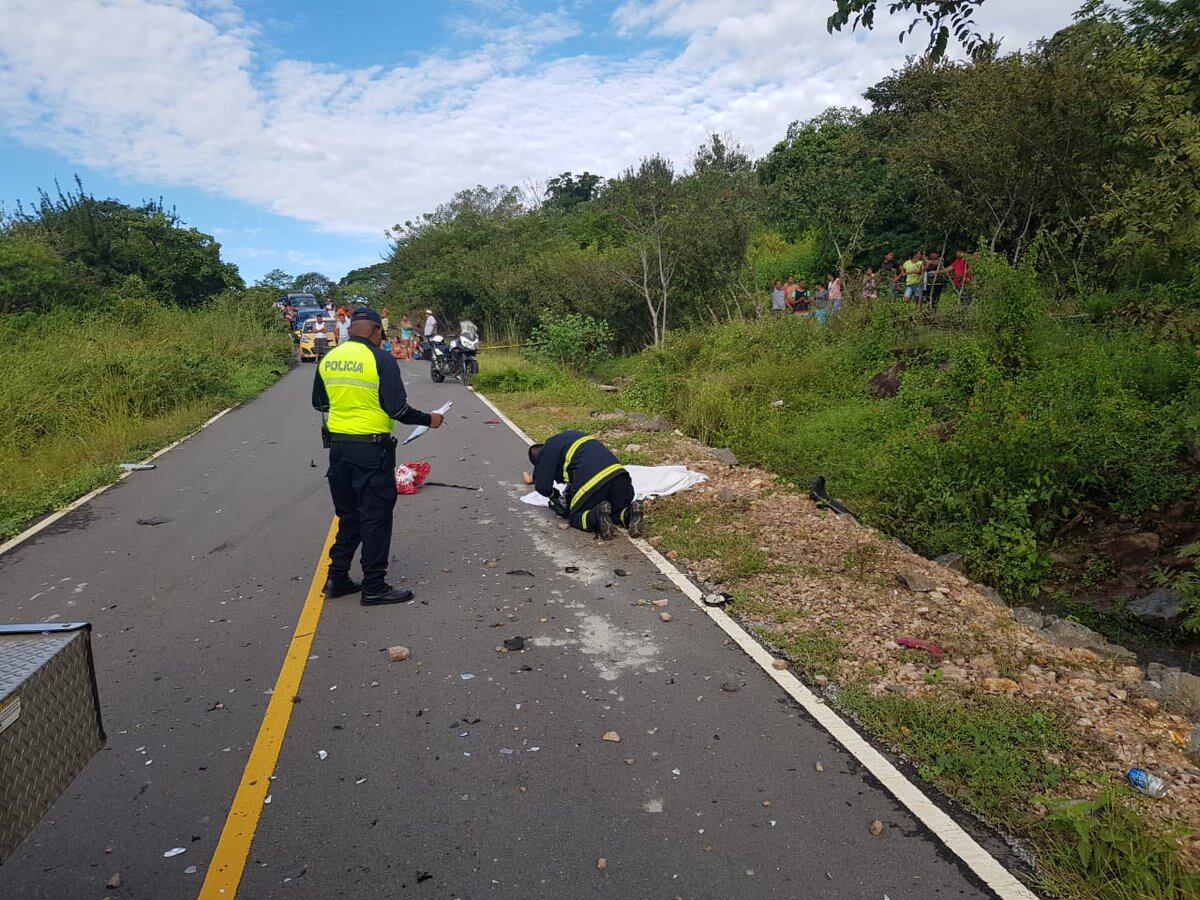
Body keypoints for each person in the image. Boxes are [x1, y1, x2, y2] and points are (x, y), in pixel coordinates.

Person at [311, 308, 444, 604]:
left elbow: (319, 402)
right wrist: (429, 419)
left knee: (349, 515)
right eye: (380, 334)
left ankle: (337, 578)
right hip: (371, 450)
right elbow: (398, 410)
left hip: (339, 450)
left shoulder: (329, 359)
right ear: (373, 330)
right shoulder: (381, 359)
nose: (382, 339)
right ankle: (374, 586)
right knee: (376, 516)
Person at [522, 431, 644, 540]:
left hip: (593, 480)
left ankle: (596, 515)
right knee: (613, 509)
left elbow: (542, 486)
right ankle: (629, 513)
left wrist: (554, 496)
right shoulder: (570, 437)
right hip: (620, 477)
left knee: (575, 516)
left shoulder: (546, 451)